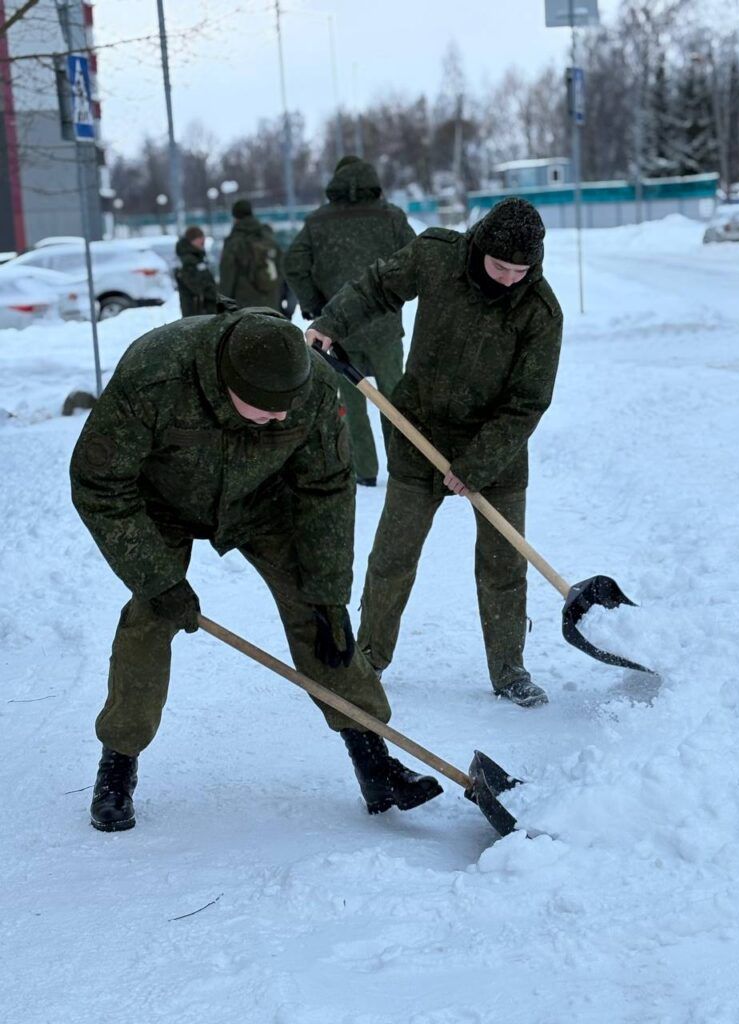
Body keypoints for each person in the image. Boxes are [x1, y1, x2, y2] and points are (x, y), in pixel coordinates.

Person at [70, 307, 441, 832]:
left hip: (262, 501)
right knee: (150, 620)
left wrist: (330, 593)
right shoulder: (156, 375)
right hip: (160, 501)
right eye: (267, 410)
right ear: (228, 387)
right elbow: (98, 483)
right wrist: (159, 579)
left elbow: (326, 487)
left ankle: (375, 761)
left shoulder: (311, 386)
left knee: (321, 620)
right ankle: (117, 765)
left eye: (288, 408)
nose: (282, 418)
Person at [306, 197, 563, 708]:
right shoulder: (437, 255)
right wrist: (331, 322)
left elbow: (528, 402)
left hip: (496, 449)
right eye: (500, 267)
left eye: (521, 271)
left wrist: (476, 465)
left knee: (503, 563)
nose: (510, 279)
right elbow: (378, 286)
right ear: (480, 247)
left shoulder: (539, 310)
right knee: (393, 555)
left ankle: (509, 669)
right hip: (418, 428)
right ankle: (369, 659)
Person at [284, 156, 415, 487]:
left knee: (352, 403)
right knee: (393, 399)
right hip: (385, 324)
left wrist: (315, 306)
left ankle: (364, 470)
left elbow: (294, 264)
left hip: (338, 330)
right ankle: (402, 469)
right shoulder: (391, 216)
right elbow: (415, 259)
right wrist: (398, 294)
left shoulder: (317, 222)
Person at [219, 199, 282, 311]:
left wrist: (223, 304)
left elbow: (227, 275)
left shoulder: (234, 241)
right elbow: (281, 268)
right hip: (271, 300)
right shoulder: (267, 237)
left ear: (235, 217)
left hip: (245, 304)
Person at [175, 225, 218, 317]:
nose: (203, 240)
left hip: (202, 308)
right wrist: (214, 294)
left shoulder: (198, 257)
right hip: (196, 309)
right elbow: (195, 285)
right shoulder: (188, 260)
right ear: (193, 240)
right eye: (200, 238)